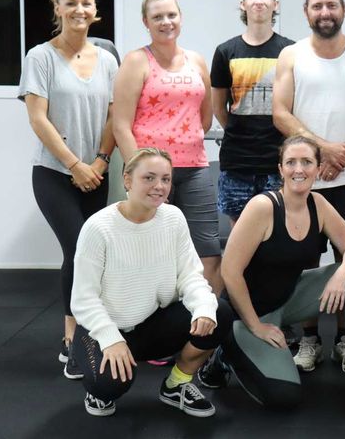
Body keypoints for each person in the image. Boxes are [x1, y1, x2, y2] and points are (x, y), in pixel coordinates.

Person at [206, 136, 345, 408]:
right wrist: (256, 326)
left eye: (307, 162)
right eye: (291, 162)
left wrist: (340, 275)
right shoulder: (263, 207)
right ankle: (226, 354)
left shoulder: (317, 204)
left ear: (318, 167)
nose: (299, 169)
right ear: (280, 169)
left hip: (289, 299)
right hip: (249, 312)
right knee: (284, 398)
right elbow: (230, 271)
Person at [272, 0, 345, 374]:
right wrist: (323, 151)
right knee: (300, 262)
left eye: (331, 5)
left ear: (344, 9)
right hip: (305, 179)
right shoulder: (291, 55)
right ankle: (309, 340)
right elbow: (281, 113)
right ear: (306, 11)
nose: (325, 12)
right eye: (317, 6)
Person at [70, 148, 232, 417]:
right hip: (102, 329)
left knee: (218, 312)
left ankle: (176, 385)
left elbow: (190, 275)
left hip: (150, 324)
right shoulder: (98, 227)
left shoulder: (173, 218)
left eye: (166, 179)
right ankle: (97, 386)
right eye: (149, 178)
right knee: (109, 386)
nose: (159, 186)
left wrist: (203, 308)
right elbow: (83, 300)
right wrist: (111, 339)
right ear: (128, 180)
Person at [18, 0, 117, 380]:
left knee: (91, 255)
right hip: (55, 173)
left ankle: (89, 333)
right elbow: (38, 119)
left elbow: (114, 115)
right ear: (57, 9)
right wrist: (76, 165)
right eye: (71, 3)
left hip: (97, 171)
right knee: (79, 250)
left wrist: (100, 162)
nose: (80, 10)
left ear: (96, 11)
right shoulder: (40, 57)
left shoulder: (109, 60)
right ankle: (72, 339)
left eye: (87, 4)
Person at [113, 0, 223, 294]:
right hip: (151, 173)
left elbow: (205, 118)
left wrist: (182, 138)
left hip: (194, 169)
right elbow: (121, 123)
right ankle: (154, 333)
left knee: (207, 254)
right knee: (151, 253)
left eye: (171, 15)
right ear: (145, 21)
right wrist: (140, 170)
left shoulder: (196, 61)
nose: (166, 22)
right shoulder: (136, 61)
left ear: (181, 17)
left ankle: (204, 333)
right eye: (157, 17)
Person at [211, 0, 294, 226]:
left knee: (277, 230)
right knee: (241, 236)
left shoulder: (290, 51)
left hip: (278, 159)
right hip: (238, 161)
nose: (259, 0)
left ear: (275, 4)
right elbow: (219, 108)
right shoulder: (226, 52)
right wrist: (242, 133)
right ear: (243, 4)